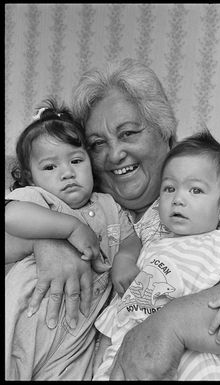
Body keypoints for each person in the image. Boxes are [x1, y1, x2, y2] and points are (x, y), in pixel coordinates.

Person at [5, 58, 220, 380]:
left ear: (166, 134)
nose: (114, 154)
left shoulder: (212, 196)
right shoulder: (85, 201)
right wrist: (49, 237)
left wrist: (173, 324)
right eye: (97, 144)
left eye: (128, 133)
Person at [92, 130, 220, 380]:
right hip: (133, 352)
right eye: (169, 188)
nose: (178, 198)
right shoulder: (150, 249)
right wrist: (103, 359)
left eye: (196, 191)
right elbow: (124, 307)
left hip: (204, 353)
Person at [5, 98, 141, 380]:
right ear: (30, 177)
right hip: (25, 316)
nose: (67, 173)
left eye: (76, 161)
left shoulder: (109, 205)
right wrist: (69, 227)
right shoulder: (37, 198)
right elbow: (10, 215)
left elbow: (131, 236)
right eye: (50, 167)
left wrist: (126, 257)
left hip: (78, 335)